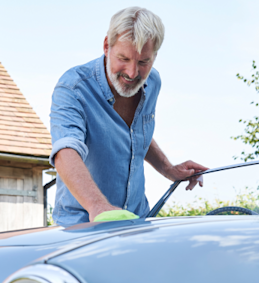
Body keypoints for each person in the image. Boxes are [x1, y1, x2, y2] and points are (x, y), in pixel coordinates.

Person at [49, 6, 207, 226]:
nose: (132, 73)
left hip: (136, 222)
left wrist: (168, 169)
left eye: (143, 62)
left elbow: (135, 132)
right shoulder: (73, 87)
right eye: (123, 58)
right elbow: (65, 151)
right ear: (107, 46)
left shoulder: (153, 83)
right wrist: (98, 206)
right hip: (83, 226)